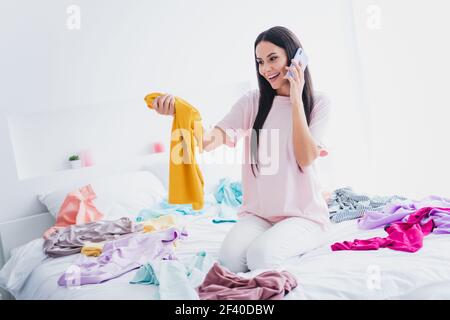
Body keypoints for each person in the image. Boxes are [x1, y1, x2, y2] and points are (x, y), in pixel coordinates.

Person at [152, 26, 331, 273]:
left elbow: (306, 156)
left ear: (294, 57)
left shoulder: (318, 103)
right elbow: (208, 141)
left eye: (273, 58)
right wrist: (180, 112)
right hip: (260, 215)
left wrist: (296, 99)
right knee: (230, 262)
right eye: (260, 61)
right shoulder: (252, 102)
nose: (266, 69)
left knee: (261, 258)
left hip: (304, 217)